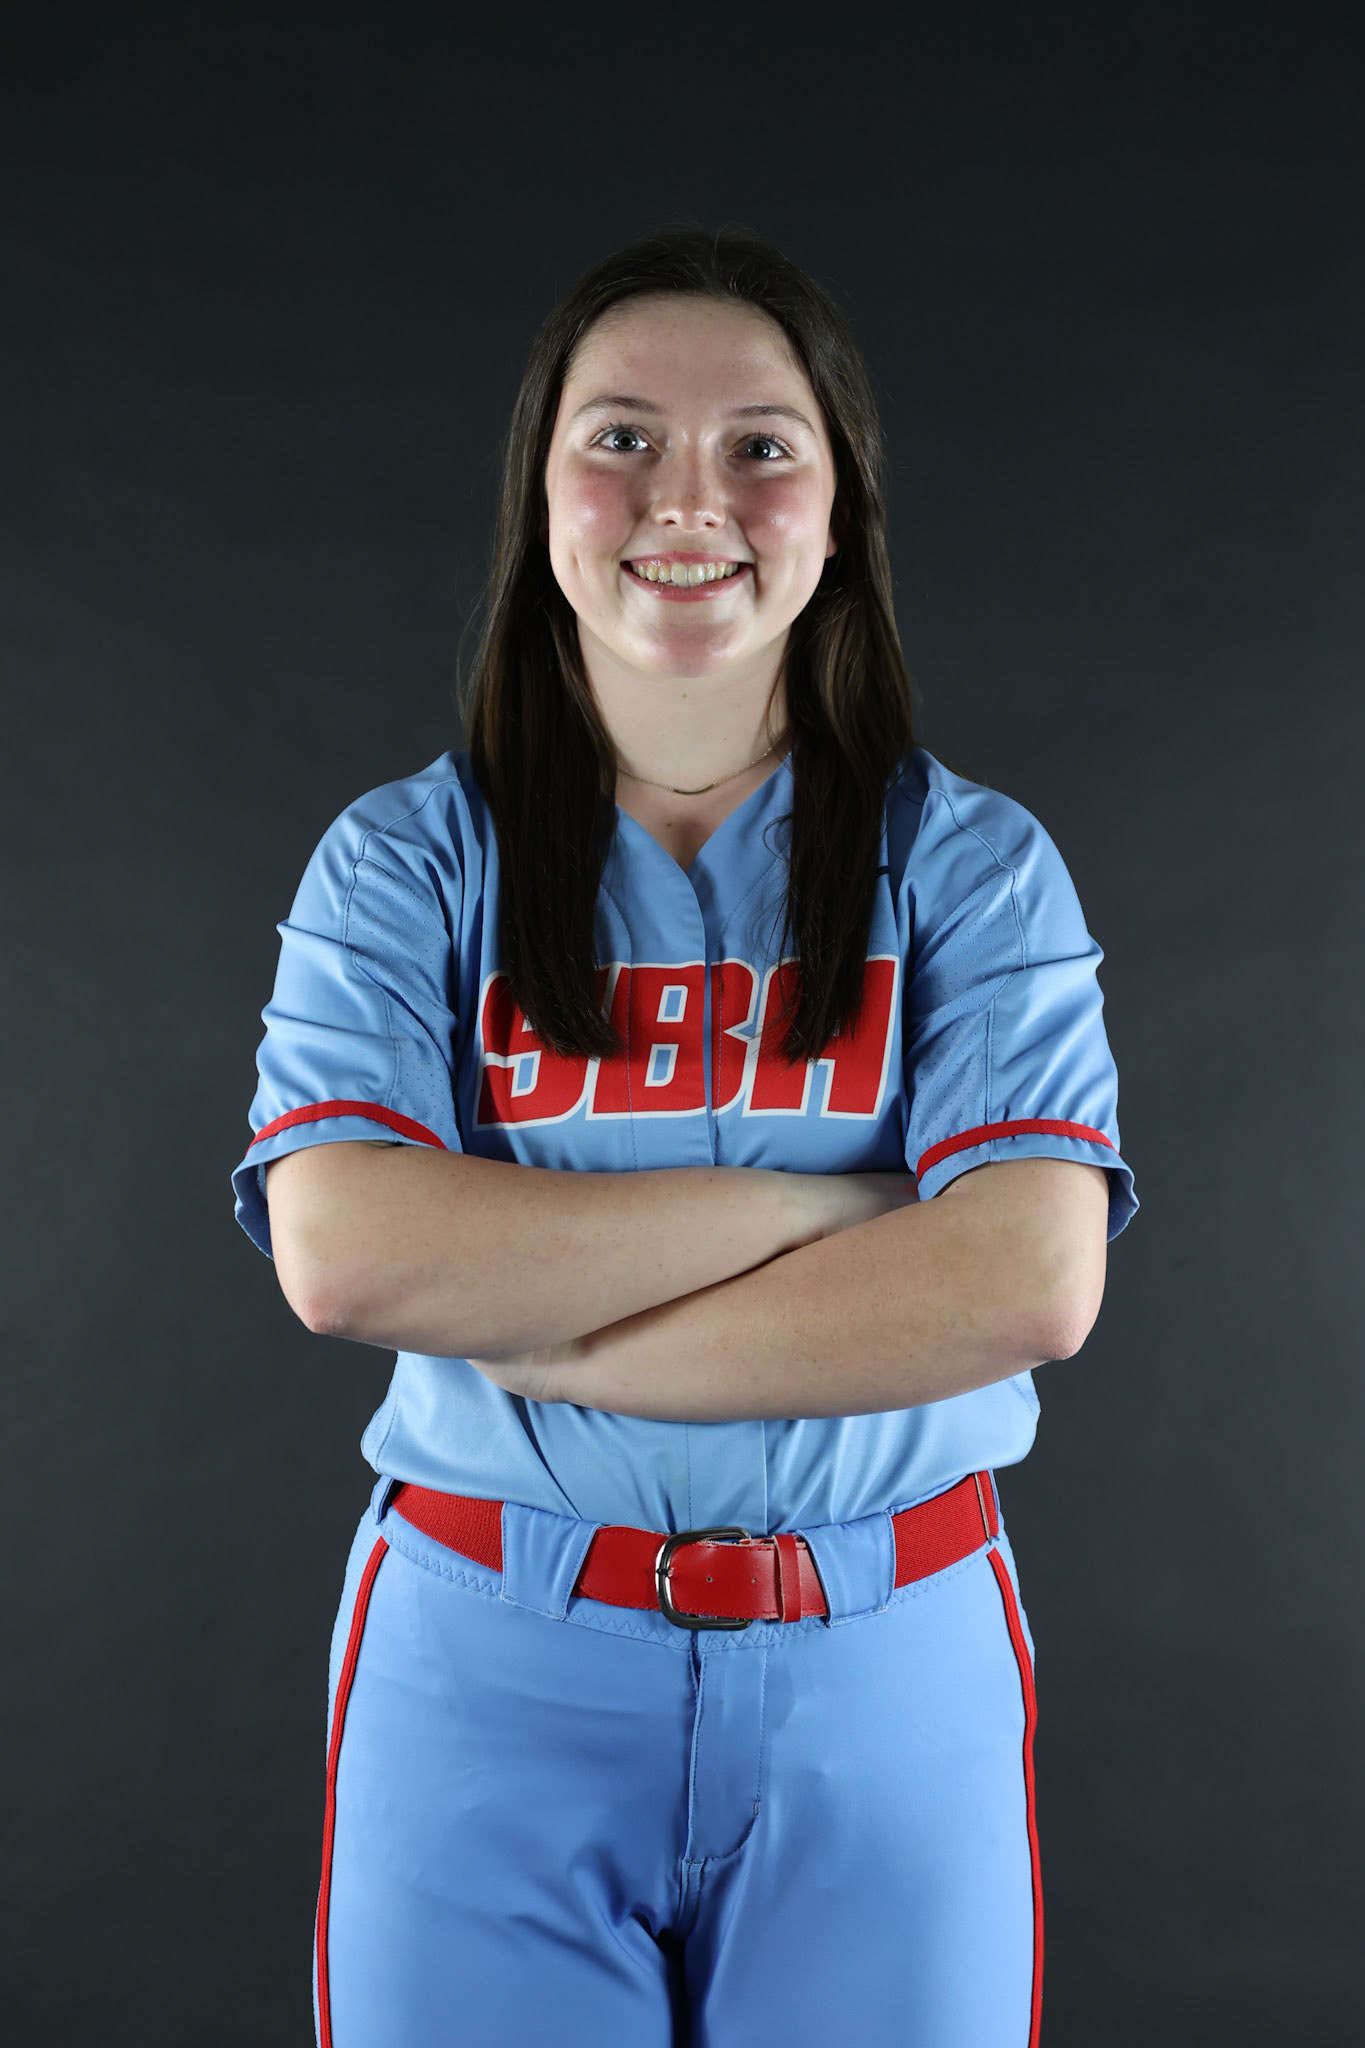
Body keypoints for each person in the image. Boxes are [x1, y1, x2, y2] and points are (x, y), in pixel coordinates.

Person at [232, 222, 1137, 2048]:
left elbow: (1027, 1284)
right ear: (541, 493)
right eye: (622, 435)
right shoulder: (407, 863)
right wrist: (836, 1206)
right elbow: (351, 1255)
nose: (688, 495)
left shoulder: (968, 866)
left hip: (888, 1658)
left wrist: (539, 1331)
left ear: (840, 508)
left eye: (762, 444)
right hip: (490, 1656)